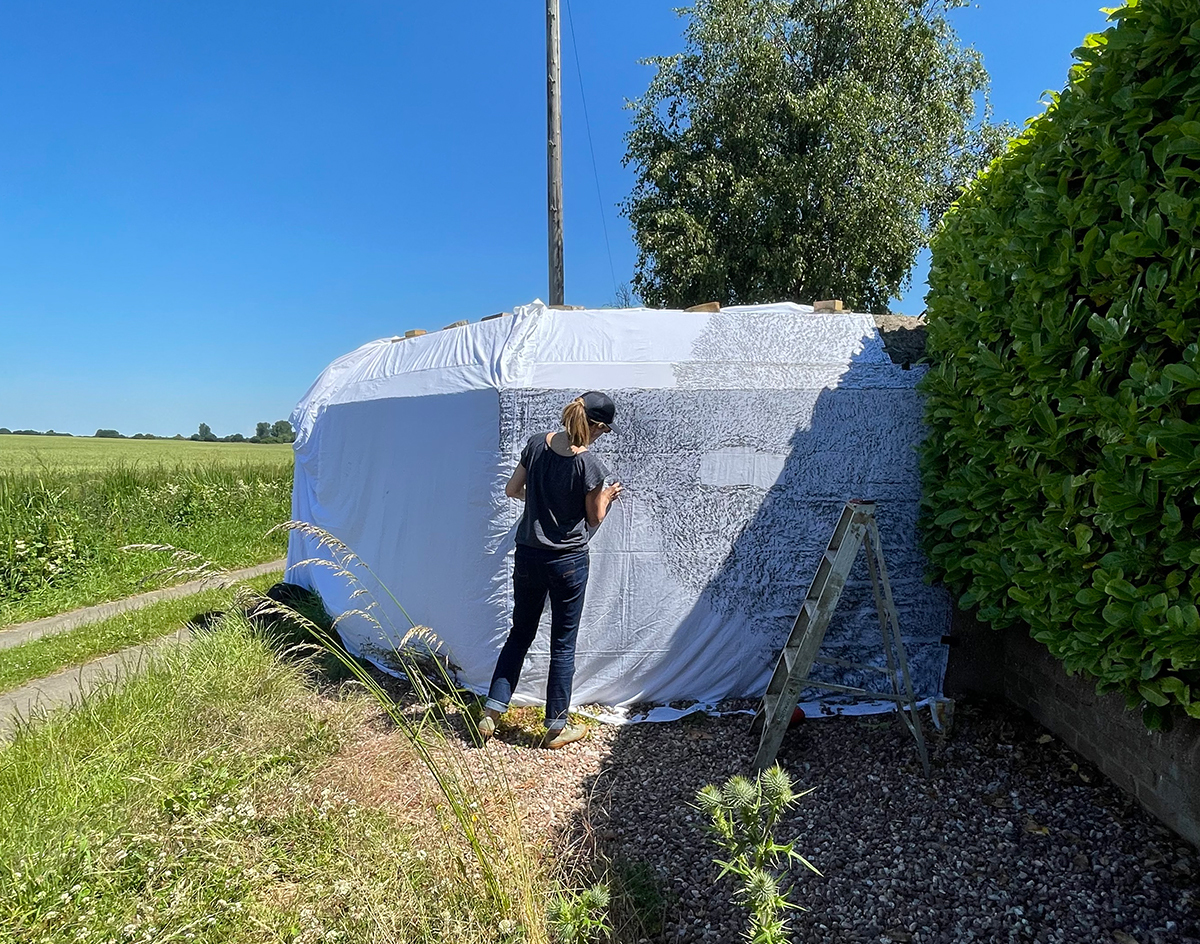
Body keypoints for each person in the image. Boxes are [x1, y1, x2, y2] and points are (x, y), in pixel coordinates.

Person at [478, 391, 623, 749]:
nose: (601, 437)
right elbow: (593, 517)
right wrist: (605, 497)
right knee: (562, 644)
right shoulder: (590, 465)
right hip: (568, 563)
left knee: (520, 634)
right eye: (603, 431)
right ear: (597, 427)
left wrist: (541, 499)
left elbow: (514, 490)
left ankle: (490, 714)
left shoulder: (534, 445)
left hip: (528, 556)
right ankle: (556, 727)